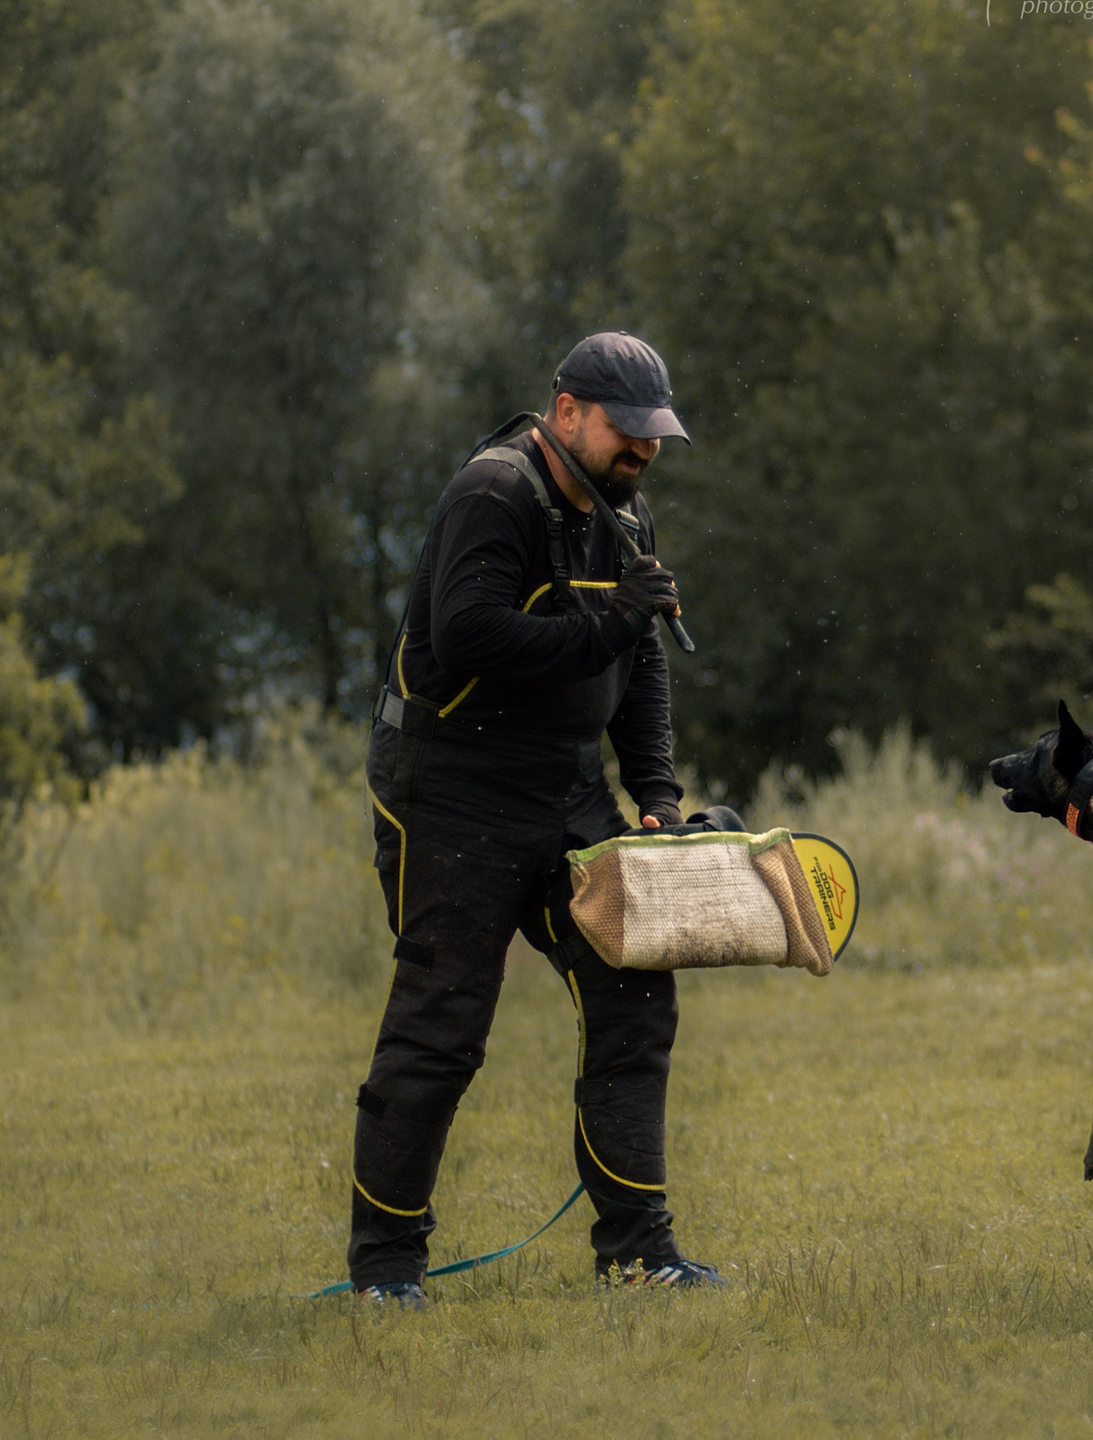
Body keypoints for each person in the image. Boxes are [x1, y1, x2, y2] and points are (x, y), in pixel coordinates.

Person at [350, 332, 726, 1306]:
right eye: (624, 430)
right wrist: (609, 622)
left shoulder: (625, 514)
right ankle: (386, 1267)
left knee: (634, 997)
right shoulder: (494, 492)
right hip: (453, 788)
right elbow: (466, 631)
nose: (641, 450)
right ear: (566, 412)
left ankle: (638, 1252)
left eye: (654, 435)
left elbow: (640, 672)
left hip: (568, 795)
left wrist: (656, 799)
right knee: (443, 1026)